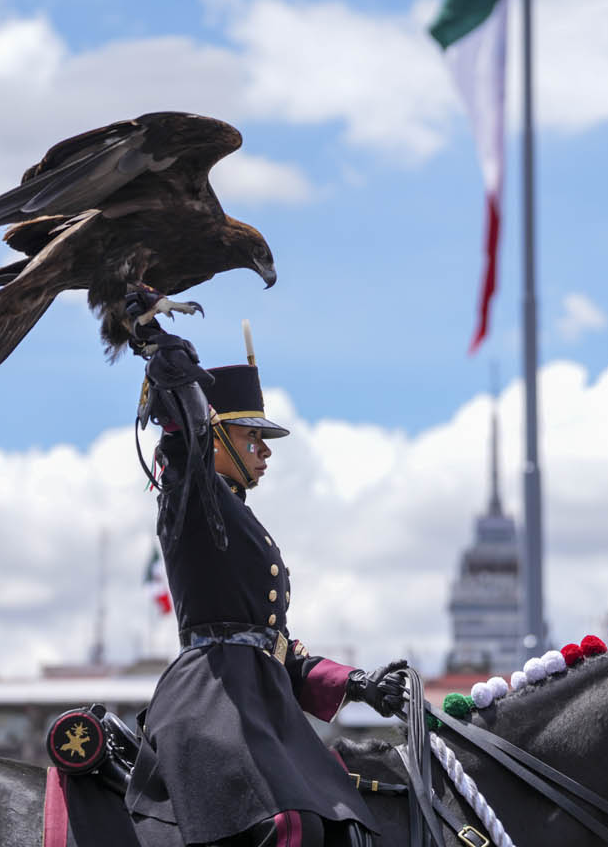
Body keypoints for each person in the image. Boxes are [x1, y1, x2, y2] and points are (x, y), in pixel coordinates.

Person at [125, 317, 407, 847]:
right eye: (252, 435)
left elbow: (275, 647)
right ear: (215, 438)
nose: (266, 449)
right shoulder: (192, 495)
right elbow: (185, 443)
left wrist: (356, 683)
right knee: (288, 824)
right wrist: (173, 373)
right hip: (214, 699)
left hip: (259, 697)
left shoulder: (237, 513)